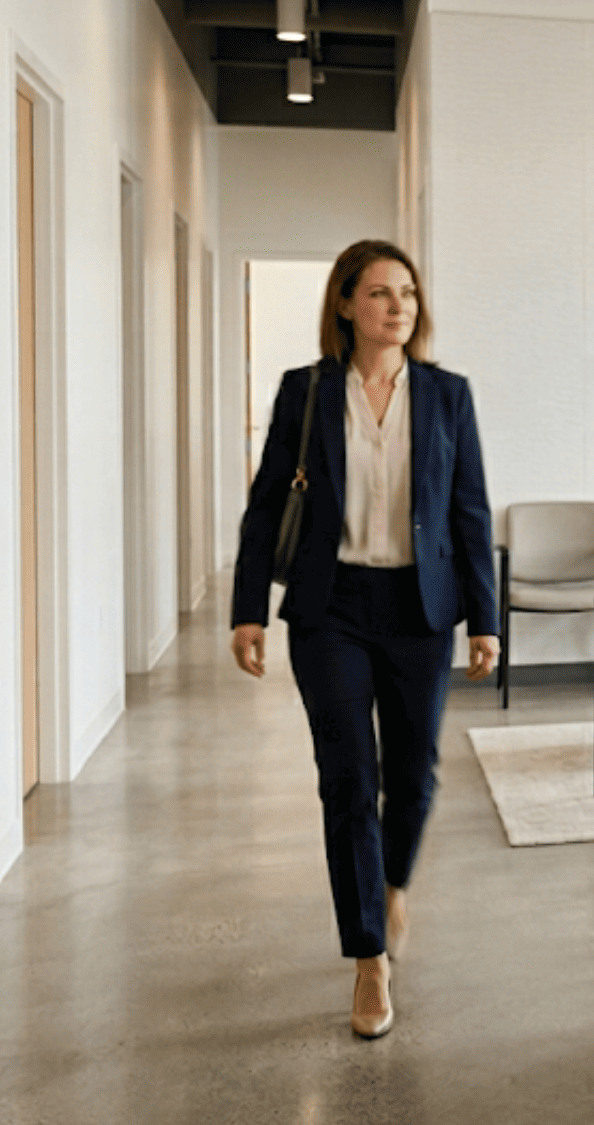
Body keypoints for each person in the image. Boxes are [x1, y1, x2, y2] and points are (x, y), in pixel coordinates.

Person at [228, 240, 499, 1039]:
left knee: (412, 776)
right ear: (346, 304)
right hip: (331, 607)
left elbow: (471, 512)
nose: (398, 306)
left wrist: (484, 618)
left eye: (408, 292)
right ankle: (368, 957)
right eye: (380, 293)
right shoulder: (306, 392)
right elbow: (265, 503)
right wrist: (247, 607)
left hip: (420, 607)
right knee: (349, 777)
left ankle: (395, 883)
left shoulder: (448, 395)